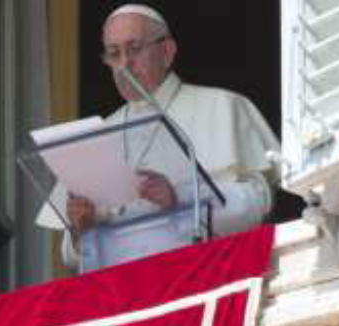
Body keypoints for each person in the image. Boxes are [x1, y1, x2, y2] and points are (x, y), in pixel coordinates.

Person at [58, 4, 280, 270]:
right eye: (114, 54)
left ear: (167, 51)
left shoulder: (222, 105)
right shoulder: (96, 136)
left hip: (202, 274)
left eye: (134, 48)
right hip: (120, 293)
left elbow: (258, 203)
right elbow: (70, 257)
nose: (124, 63)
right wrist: (80, 230)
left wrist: (181, 202)